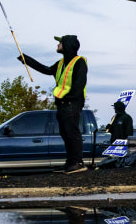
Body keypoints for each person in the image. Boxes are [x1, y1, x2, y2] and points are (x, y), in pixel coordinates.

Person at [18, 35, 88, 174]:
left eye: (60, 43)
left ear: (67, 45)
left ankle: (78, 163)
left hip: (72, 103)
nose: (58, 45)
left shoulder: (79, 62)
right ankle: (70, 163)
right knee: (65, 133)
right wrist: (25, 59)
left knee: (71, 132)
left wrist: (68, 98)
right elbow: (45, 69)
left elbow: (79, 84)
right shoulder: (61, 63)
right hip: (62, 103)